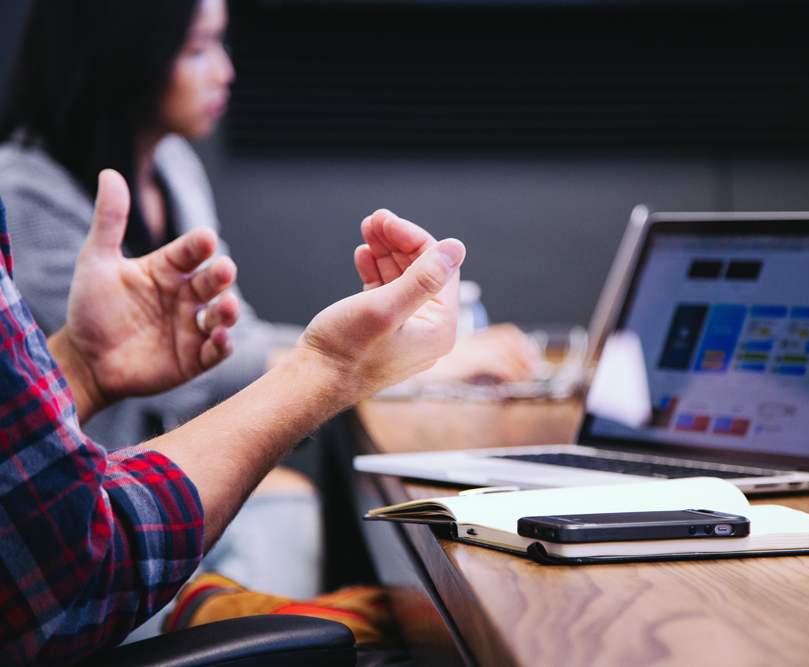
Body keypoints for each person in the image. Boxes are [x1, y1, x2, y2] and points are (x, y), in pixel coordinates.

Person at [0, 168, 465, 666]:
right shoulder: (24, 185)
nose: (225, 82)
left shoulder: (174, 166)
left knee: (293, 507)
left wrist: (81, 368)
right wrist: (331, 368)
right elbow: (73, 567)